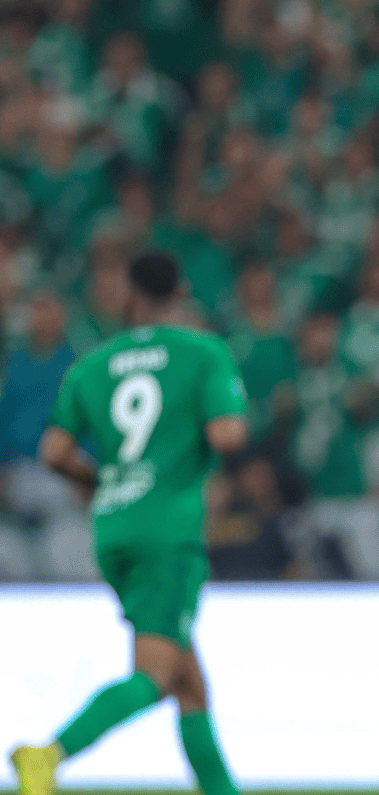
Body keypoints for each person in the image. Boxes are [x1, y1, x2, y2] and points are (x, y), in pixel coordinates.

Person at [9, 252, 249, 795]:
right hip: (169, 533)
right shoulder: (203, 352)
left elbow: (54, 452)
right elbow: (227, 434)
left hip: (113, 527)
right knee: (156, 674)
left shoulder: (93, 364)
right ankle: (47, 755)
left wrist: (102, 479)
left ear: (129, 296)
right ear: (181, 294)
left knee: (189, 687)